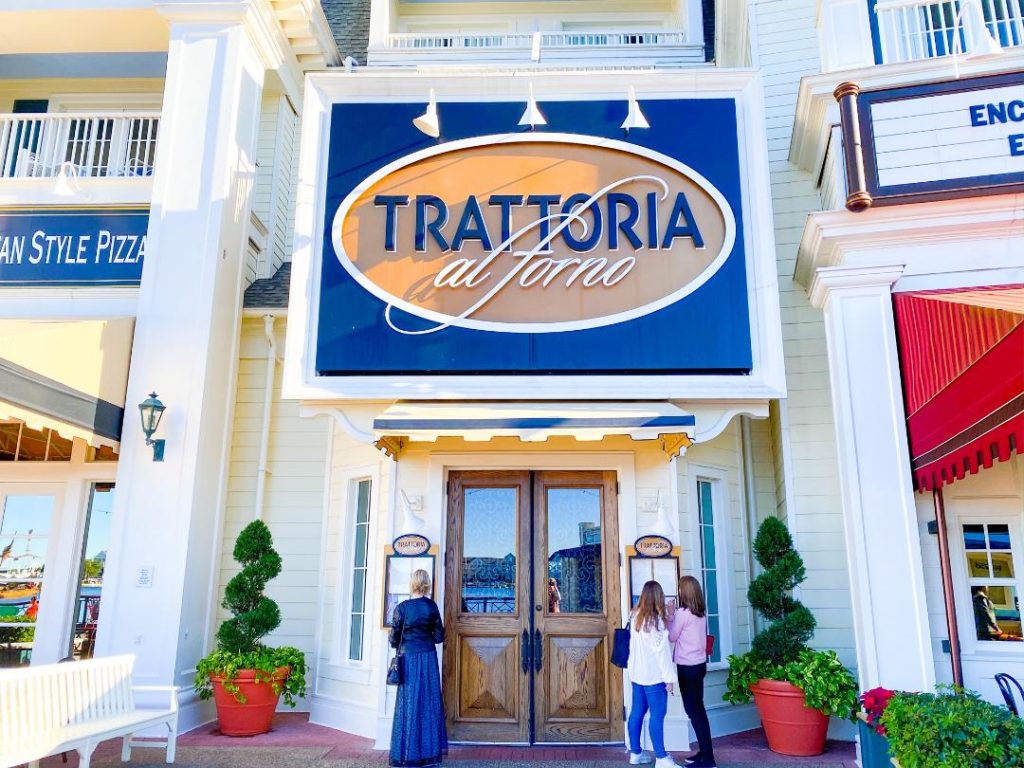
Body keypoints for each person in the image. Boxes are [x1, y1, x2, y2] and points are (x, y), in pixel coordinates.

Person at [389, 569, 447, 767]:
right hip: (428, 657)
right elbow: (439, 637)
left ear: (411, 583)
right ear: (427, 584)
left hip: (409, 657)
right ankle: (428, 755)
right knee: (428, 703)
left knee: (408, 703)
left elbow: (393, 638)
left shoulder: (402, 608)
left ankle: (407, 754)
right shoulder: (431, 607)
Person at [626, 580, 678, 767]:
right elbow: (662, 654)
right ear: (658, 597)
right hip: (654, 677)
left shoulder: (634, 616)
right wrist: (669, 679)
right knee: (657, 715)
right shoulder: (655, 622)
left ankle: (636, 752)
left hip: (637, 674)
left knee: (636, 713)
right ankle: (662, 758)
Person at [669, 576, 716, 768]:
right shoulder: (700, 613)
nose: (678, 591)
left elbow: (672, 636)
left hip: (687, 667)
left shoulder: (683, 613)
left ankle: (708, 759)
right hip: (699, 665)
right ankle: (705, 753)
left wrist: (670, 615)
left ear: (684, 591)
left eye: (680, 588)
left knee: (694, 711)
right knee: (699, 710)